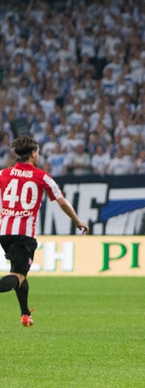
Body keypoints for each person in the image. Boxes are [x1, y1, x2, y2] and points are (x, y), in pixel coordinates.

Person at [0, 136, 88, 327]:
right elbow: (62, 201)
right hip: (24, 235)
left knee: (19, 274)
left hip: (5, 232)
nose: (39, 155)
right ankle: (24, 313)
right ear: (32, 154)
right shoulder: (41, 176)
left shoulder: (3, 174)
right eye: (38, 152)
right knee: (19, 276)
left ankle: (25, 314)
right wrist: (77, 221)